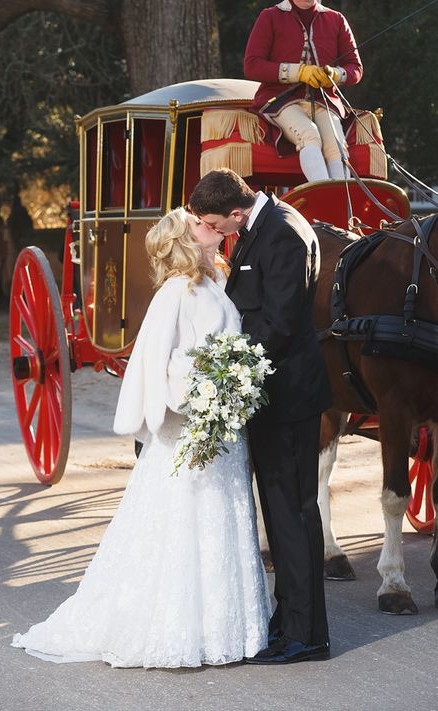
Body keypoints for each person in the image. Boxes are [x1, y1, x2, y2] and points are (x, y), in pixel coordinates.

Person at [11, 207, 271, 669]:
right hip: (192, 424)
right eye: (196, 223)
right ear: (184, 240)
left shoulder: (214, 282)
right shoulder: (175, 291)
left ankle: (223, 628)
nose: (206, 225)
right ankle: (176, 627)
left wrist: (233, 380)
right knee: (186, 520)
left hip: (222, 427)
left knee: (218, 519)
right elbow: (158, 362)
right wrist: (207, 388)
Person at [189, 168, 332, 664]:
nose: (213, 232)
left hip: (288, 396)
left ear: (234, 212)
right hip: (271, 395)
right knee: (280, 514)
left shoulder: (286, 233)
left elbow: (280, 321)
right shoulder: (262, 226)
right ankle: (288, 619)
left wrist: (231, 378)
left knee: (293, 514)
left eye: (213, 223)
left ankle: (307, 635)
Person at [244, 0, 363, 182]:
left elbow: (356, 69)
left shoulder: (336, 19)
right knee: (309, 134)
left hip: (324, 101)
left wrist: (334, 74)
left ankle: (339, 200)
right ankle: (324, 197)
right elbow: (252, 65)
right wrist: (298, 72)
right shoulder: (270, 16)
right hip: (280, 101)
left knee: (336, 144)